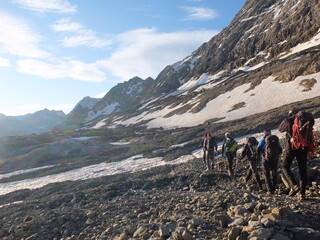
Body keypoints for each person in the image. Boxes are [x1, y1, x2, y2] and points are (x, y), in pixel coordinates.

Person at [278, 109, 316, 200]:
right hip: (303, 147)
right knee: (303, 170)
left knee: (285, 166)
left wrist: (288, 118)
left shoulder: (288, 121)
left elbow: (280, 129)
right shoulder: (306, 120)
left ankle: (294, 185)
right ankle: (302, 194)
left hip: (291, 147)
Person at [257, 130, 282, 194]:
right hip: (275, 160)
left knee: (267, 175)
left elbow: (258, 150)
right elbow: (280, 150)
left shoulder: (262, 140)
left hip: (266, 160)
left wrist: (262, 154)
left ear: (264, 133)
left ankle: (269, 190)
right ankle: (274, 188)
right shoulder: (276, 140)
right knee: (274, 174)